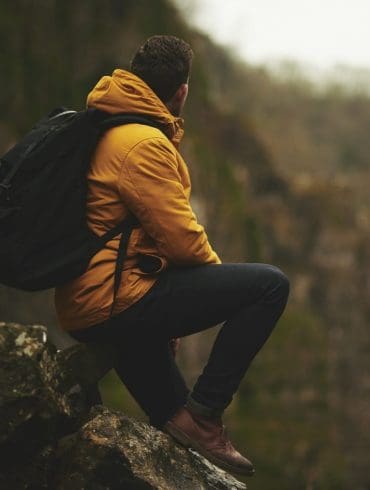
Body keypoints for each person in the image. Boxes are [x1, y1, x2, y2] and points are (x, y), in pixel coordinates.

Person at [55, 35, 289, 476]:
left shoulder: (106, 125)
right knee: (269, 285)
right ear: (181, 91)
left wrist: (170, 305)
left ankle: (193, 423)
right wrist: (204, 297)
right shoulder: (142, 143)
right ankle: (207, 414)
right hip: (113, 302)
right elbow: (182, 240)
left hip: (96, 302)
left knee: (176, 433)